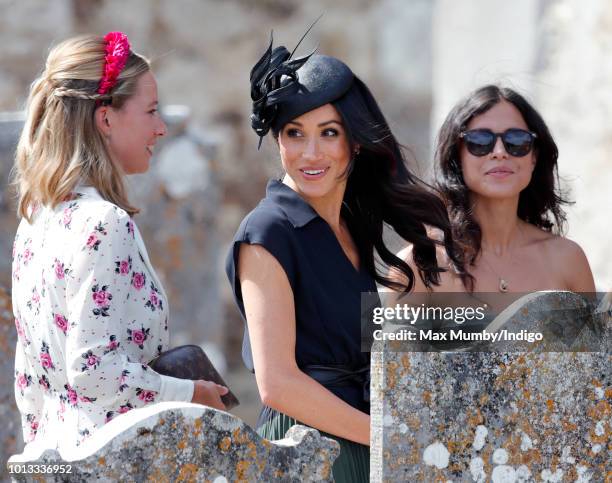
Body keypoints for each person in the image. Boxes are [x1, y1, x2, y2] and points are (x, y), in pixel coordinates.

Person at [225, 36, 465, 482]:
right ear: (277, 139)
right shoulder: (268, 231)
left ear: (355, 143)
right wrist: (389, 436)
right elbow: (277, 384)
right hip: (307, 449)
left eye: (328, 133)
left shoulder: (351, 225)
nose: (310, 154)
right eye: (294, 134)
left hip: (360, 440)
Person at [11, 32, 227, 457]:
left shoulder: (34, 219)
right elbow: (95, 374)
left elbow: (27, 380)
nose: (161, 128)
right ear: (106, 120)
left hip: (57, 457)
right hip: (112, 460)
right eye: (150, 111)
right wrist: (189, 392)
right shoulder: (104, 223)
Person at [394, 85, 595, 294]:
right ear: (457, 156)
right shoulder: (419, 266)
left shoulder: (568, 260)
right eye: (480, 140)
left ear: (534, 157)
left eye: (516, 140)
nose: (499, 152)